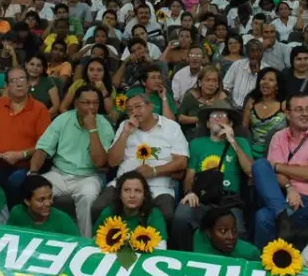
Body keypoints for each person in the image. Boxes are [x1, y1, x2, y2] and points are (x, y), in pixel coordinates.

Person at [251, 93, 308, 250]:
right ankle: (282, 215)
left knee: (263, 216)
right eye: (299, 109)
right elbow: (273, 174)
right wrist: (290, 187)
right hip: (280, 195)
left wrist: (277, 166)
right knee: (260, 165)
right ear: (288, 114)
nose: (305, 114)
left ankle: (270, 259)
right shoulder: (278, 137)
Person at [28, 85, 114, 238]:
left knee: (87, 197)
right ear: (76, 104)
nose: (91, 107)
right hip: (59, 173)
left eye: (95, 103)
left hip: (89, 176)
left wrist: (92, 129)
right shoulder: (63, 119)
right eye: (86, 103)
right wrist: (33, 173)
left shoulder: (104, 125)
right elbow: (42, 149)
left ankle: (85, 241)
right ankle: (36, 235)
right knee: (35, 191)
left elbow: (100, 162)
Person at [92, 92, 188, 223]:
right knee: (98, 208)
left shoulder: (171, 127)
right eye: (130, 110)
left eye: (138, 106)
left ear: (150, 106)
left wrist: (154, 171)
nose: (134, 112)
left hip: (158, 187)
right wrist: (125, 134)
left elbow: (181, 162)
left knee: (166, 215)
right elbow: (112, 162)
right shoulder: (125, 126)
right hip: (124, 184)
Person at [173, 101, 253, 251]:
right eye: (214, 116)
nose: (218, 118)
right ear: (208, 124)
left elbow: (250, 170)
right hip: (201, 198)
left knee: (239, 233)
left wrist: (233, 142)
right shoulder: (196, 144)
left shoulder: (241, 142)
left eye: (222, 116)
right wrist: (189, 192)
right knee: (181, 216)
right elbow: (190, 174)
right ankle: (184, 258)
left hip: (228, 200)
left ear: (229, 122)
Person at [0, 68, 51, 205]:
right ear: (7, 86)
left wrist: (22, 154)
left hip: (24, 166)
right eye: (13, 81)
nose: (18, 84)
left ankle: (11, 219)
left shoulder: (40, 109)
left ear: (28, 84)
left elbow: (44, 145)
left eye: (22, 79)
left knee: (15, 181)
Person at [93, 171, 168, 250]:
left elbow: (161, 249)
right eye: (127, 190)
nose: (132, 195)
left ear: (144, 195)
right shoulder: (108, 213)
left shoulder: (154, 215)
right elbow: (95, 242)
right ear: (119, 194)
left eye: (137, 191)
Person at [7, 175, 80, 236]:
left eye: (50, 197)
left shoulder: (63, 221)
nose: (48, 203)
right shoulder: (17, 213)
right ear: (27, 201)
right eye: (41, 200)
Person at [242, 68, 287, 158]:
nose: (265, 82)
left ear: (277, 86)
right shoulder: (251, 102)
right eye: (263, 79)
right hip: (251, 152)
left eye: (271, 80)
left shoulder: (284, 105)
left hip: (276, 153)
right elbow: (244, 130)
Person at [192, 206, 261, 260]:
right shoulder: (198, 236)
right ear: (208, 233)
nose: (231, 237)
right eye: (223, 231)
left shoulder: (251, 253)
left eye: (234, 230)